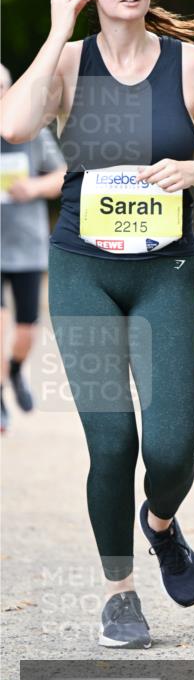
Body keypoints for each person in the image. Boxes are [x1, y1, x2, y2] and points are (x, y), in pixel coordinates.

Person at [0, 0, 194, 648]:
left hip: (165, 270)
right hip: (84, 270)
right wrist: (54, 29)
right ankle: (120, 594)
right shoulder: (68, 64)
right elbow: (12, 126)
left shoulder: (188, 65)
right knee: (111, 444)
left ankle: (160, 522)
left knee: (170, 453)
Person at [1, 63, 66, 433]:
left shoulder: (31, 132)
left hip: (27, 244)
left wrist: (34, 189)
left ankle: (13, 371)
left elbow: (62, 175)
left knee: (26, 330)